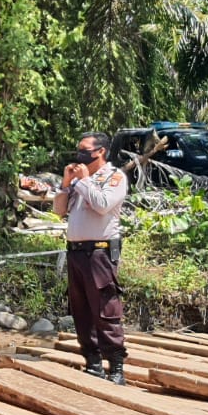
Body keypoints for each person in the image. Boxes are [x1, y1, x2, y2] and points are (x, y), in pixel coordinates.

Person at [53, 132, 129, 384]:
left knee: (105, 311)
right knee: (81, 311)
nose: (80, 154)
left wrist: (84, 181)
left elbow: (103, 204)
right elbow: (59, 212)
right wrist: (66, 184)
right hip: (76, 253)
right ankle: (93, 363)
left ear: (101, 152)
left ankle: (116, 369)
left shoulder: (114, 177)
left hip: (100, 253)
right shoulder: (77, 181)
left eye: (85, 150)